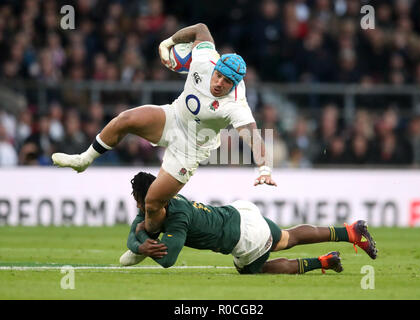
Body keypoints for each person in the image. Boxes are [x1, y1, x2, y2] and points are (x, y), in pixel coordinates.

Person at [51, 23, 276, 233]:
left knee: (152, 203)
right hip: (173, 117)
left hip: (192, 147)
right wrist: (168, 42)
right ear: (215, 67)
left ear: (235, 84)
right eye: (218, 76)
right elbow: (200, 29)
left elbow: (253, 137)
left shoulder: (236, 104)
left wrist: (264, 169)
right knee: (125, 119)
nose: (219, 83)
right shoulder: (204, 59)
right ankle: (84, 160)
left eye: (227, 81)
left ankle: (146, 240)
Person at [119, 172, 378, 274]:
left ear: (158, 200)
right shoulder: (159, 201)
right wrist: (140, 245)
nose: (140, 209)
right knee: (288, 238)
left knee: (249, 270)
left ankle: (323, 262)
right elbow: (133, 234)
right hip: (240, 212)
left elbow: (167, 259)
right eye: (139, 203)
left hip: (244, 235)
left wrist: (141, 244)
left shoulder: (177, 219)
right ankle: (349, 232)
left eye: (143, 203)